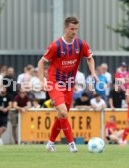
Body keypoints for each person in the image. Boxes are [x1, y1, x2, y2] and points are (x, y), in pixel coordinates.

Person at [37, 16, 98, 152]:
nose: (74, 31)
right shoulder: (56, 45)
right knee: (64, 113)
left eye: (76, 29)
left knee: (61, 117)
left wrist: (93, 73)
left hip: (69, 85)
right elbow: (41, 62)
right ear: (65, 28)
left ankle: (50, 143)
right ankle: (72, 145)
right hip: (54, 83)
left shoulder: (81, 44)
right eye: (71, 29)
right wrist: (42, 81)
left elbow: (90, 58)